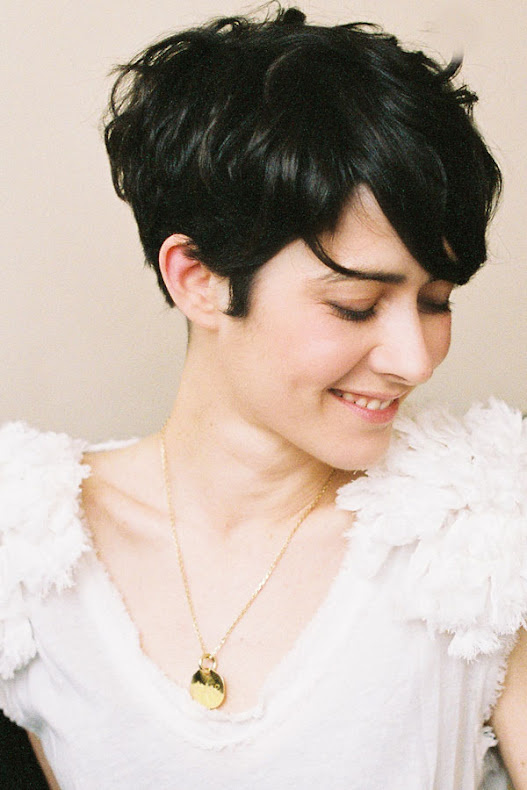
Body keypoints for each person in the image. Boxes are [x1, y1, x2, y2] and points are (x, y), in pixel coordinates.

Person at [0, 6, 525, 789]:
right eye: (355, 305)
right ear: (198, 279)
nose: (414, 360)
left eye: (435, 301)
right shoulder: (28, 552)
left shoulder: (482, 533)